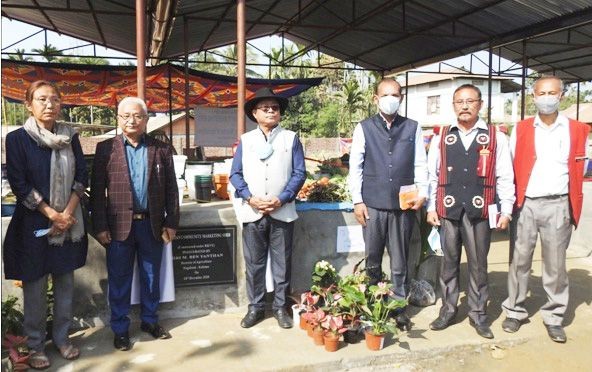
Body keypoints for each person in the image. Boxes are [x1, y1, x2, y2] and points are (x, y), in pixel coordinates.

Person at [3, 80, 87, 369]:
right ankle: (36, 344)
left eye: (54, 99)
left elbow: (82, 177)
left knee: (65, 285)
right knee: (35, 288)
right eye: (41, 99)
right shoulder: (16, 139)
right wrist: (53, 214)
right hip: (33, 228)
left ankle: (62, 339)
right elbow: (19, 183)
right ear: (29, 105)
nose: (49, 105)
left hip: (69, 223)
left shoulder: (70, 136)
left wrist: (67, 213)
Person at [501, 76, 590, 343]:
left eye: (552, 93)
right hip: (526, 203)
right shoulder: (522, 128)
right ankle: (515, 311)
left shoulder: (576, 129)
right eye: (542, 93)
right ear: (533, 96)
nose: (547, 98)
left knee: (555, 264)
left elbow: (580, 167)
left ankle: (554, 316)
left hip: (558, 204)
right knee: (520, 261)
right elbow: (512, 165)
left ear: (561, 96)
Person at [426, 84, 515, 339]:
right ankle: (448, 310)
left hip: (480, 211)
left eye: (470, 101)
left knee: (478, 265)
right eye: (459, 102)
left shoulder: (497, 137)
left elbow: (505, 176)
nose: (465, 106)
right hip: (448, 209)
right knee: (448, 264)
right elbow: (432, 175)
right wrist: (431, 207)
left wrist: (506, 210)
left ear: (480, 104)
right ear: (453, 105)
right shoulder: (441, 136)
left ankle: (478, 314)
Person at [91, 97, 179, 351]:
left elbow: (172, 190)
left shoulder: (160, 149)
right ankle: (120, 329)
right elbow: (97, 192)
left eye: (138, 116)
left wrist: (171, 222)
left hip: (151, 225)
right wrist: (100, 226)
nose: (132, 120)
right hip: (118, 227)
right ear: (118, 119)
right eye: (126, 116)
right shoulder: (105, 149)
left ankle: (150, 321)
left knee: (152, 277)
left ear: (146, 119)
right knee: (120, 280)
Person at [348, 78, 428, 330]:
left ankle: (399, 308)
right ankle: (372, 306)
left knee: (399, 260)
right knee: (372, 259)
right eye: (385, 95)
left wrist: (422, 192)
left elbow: (420, 164)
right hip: (372, 205)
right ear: (376, 99)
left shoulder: (412, 127)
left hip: (403, 206)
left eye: (395, 94)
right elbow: (355, 166)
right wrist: (358, 200)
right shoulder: (364, 128)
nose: (391, 99)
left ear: (401, 98)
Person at [230, 87, 306, 329]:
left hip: (281, 211)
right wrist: (250, 198)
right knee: (254, 264)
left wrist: (281, 199)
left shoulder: (291, 138)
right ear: (255, 113)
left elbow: (299, 173)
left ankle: (280, 308)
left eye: (275, 108)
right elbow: (235, 174)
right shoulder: (246, 140)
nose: (271, 111)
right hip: (253, 211)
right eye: (266, 108)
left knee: (282, 263)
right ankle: (255, 308)